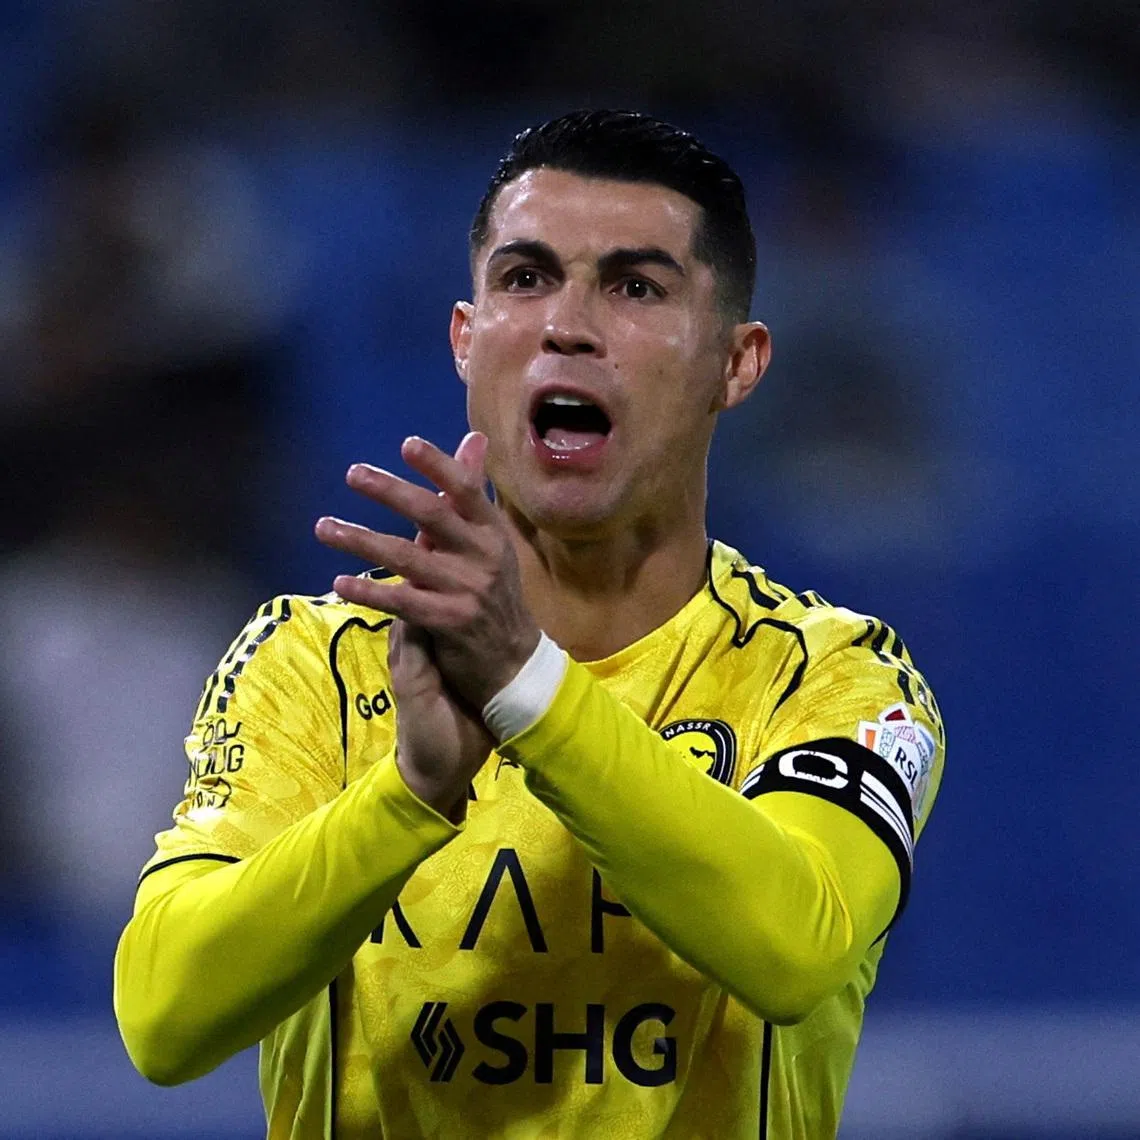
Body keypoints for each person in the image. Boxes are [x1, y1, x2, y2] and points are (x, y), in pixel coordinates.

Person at [114, 109, 944, 1139]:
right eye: (524, 279)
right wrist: (410, 794)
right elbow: (163, 1015)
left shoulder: (835, 679)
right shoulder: (313, 662)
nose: (568, 324)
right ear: (466, 340)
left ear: (739, 362)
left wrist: (525, 687)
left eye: (636, 287)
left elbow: (794, 948)